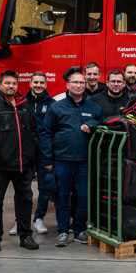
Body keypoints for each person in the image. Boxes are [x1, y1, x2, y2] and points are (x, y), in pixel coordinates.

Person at [0, 71, 40, 252]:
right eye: (8, 83)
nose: (11, 86)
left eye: (14, 84)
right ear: (0, 85)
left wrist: (30, 150)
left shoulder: (24, 106)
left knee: (25, 201)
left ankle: (25, 235)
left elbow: (34, 131)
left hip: (22, 165)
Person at [40, 71, 104, 247]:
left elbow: (105, 124)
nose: (79, 85)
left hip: (84, 161)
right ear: (67, 85)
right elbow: (45, 133)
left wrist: (93, 124)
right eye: (75, 82)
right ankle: (62, 231)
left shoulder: (93, 108)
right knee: (62, 197)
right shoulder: (56, 107)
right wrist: (48, 160)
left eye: (81, 83)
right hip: (62, 161)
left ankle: (79, 230)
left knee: (83, 197)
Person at [21, 71, 56, 235]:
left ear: (46, 84)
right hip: (25, 150)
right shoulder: (21, 102)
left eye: (42, 82)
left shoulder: (53, 104)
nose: (38, 85)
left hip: (44, 151)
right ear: (30, 83)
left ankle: (38, 219)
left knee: (45, 186)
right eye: (36, 82)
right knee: (22, 187)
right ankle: (20, 220)